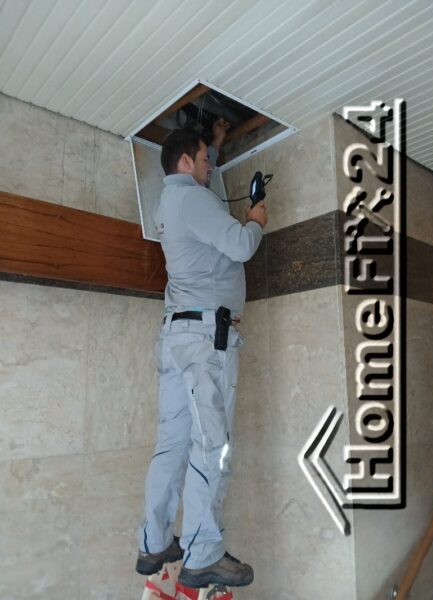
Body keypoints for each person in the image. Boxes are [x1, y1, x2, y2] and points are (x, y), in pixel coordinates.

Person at [136, 119, 268, 589]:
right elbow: (240, 246)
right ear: (185, 162)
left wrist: (213, 142)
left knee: (171, 444)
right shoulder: (193, 199)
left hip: (177, 338)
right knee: (211, 443)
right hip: (204, 341)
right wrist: (256, 220)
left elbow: (202, 191)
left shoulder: (168, 203)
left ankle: (154, 542)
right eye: (206, 160)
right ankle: (203, 553)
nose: (211, 167)